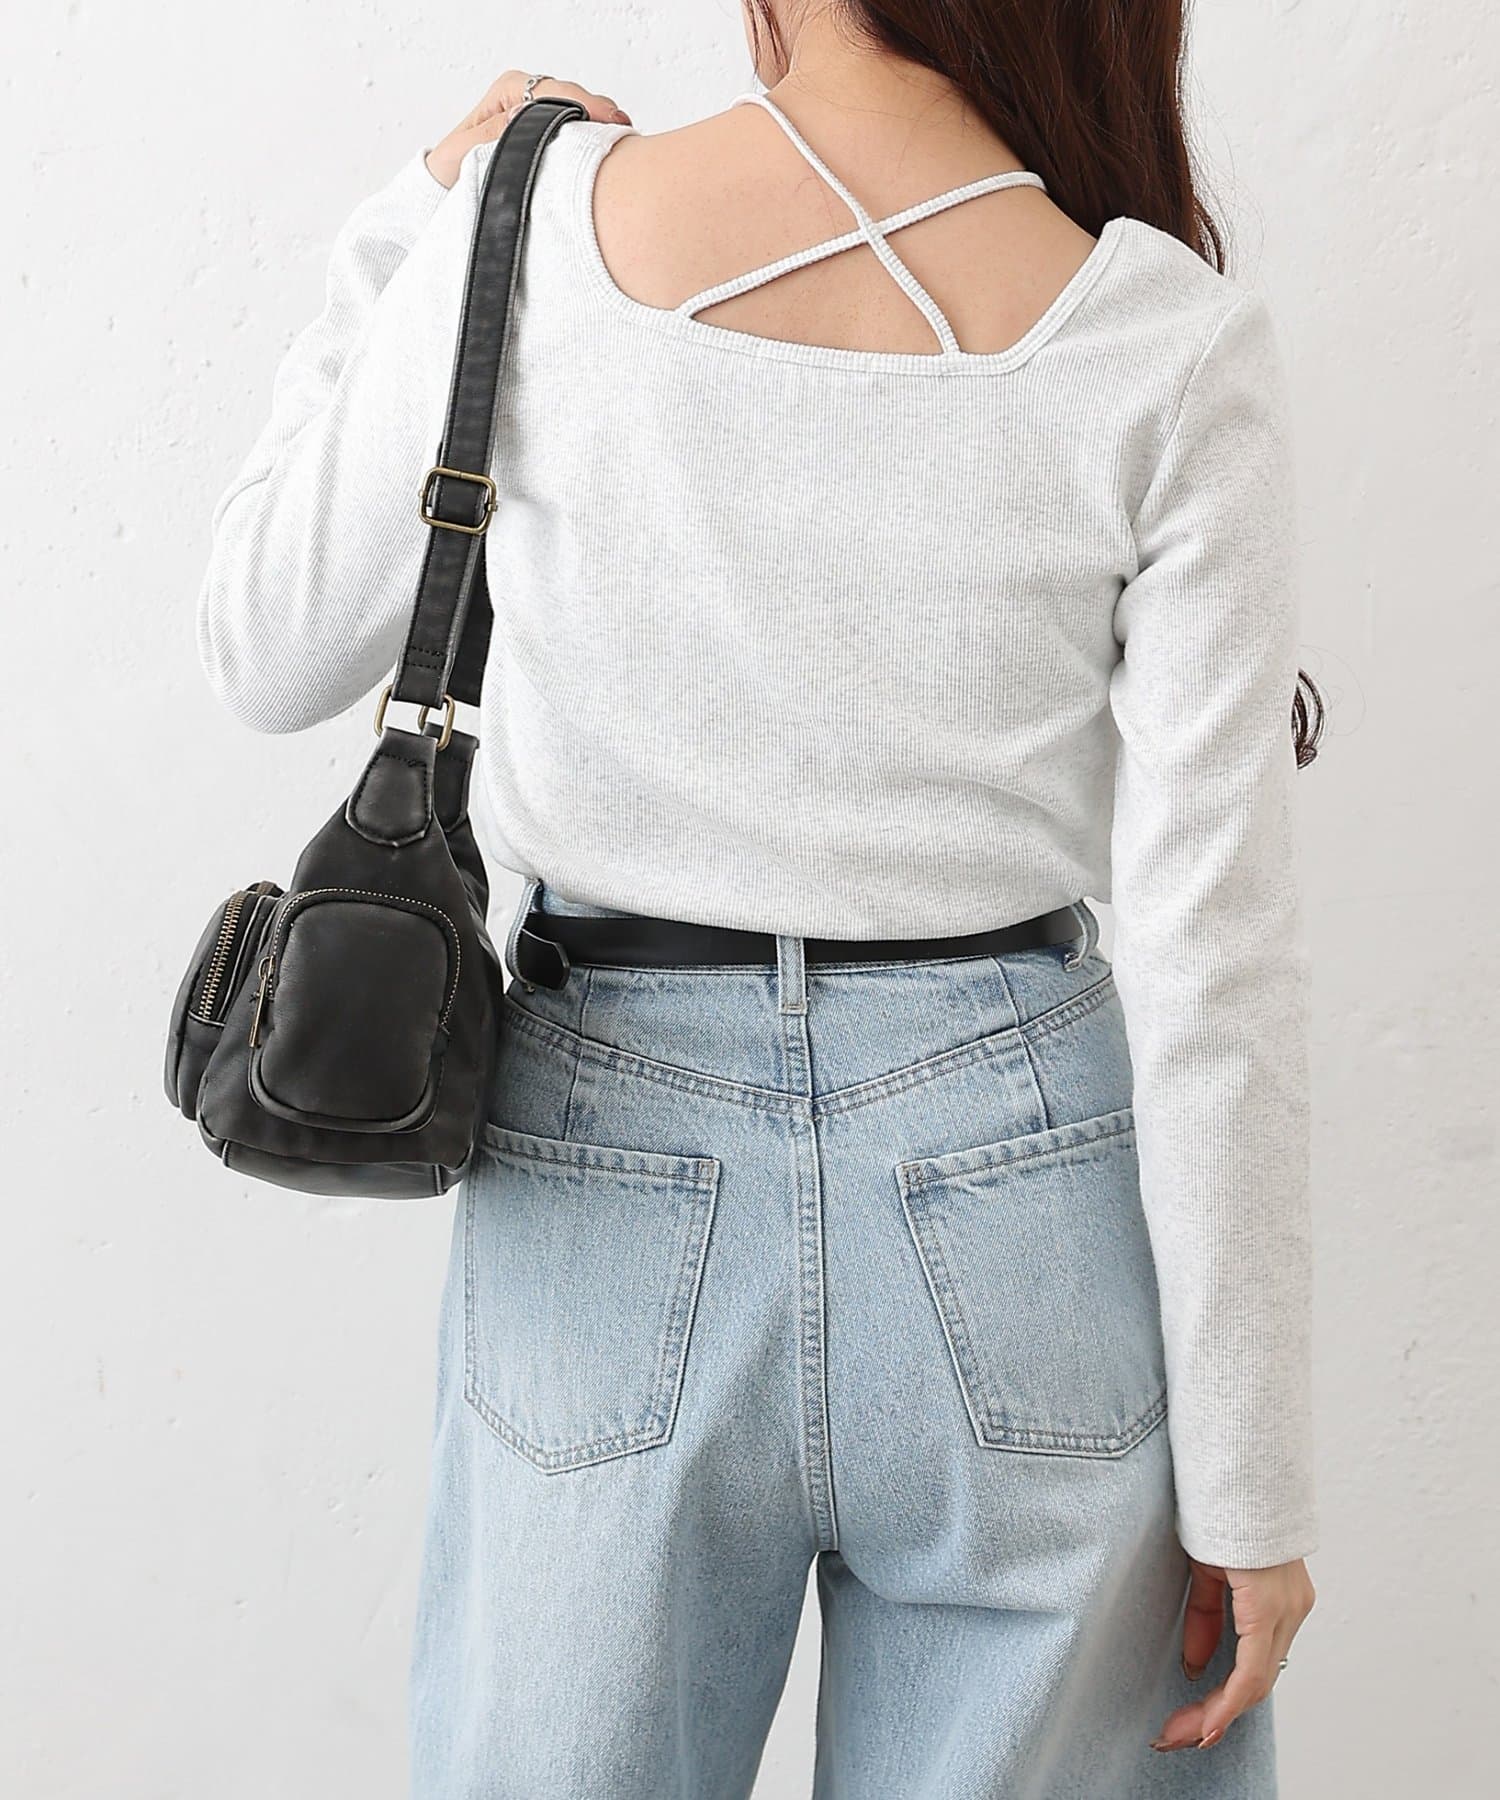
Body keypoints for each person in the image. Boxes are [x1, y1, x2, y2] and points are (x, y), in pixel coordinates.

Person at [195, 4, 1322, 1793]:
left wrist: (423, 211)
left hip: (611, 1155)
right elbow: (1214, 962)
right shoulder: (1165, 337)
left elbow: (266, 641)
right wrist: (1252, 1486)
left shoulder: (534, 227)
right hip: (1020, 1188)